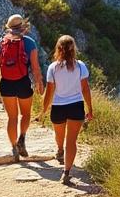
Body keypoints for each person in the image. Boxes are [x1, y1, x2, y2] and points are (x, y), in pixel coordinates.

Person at [0, 14, 43, 161]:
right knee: (26, 114)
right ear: (22, 27)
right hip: (23, 82)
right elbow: (36, 68)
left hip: (6, 83)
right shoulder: (29, 42)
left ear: (9, 28)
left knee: (12, 117)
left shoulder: (1, 42)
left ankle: (13, 148)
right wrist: (39, 83)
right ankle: (22, 138)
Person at [40, 35, 93, 187]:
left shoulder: (53, 68)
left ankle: (59, 150)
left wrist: (43, 111)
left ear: (58, 49)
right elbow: (85, 88)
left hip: (58, 107)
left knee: (59, 134)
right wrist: (90, 108)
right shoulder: (81, 66)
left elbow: (49, 92)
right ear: (73, 49)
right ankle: (67, 172)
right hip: (76, 106)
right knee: (71, 141)